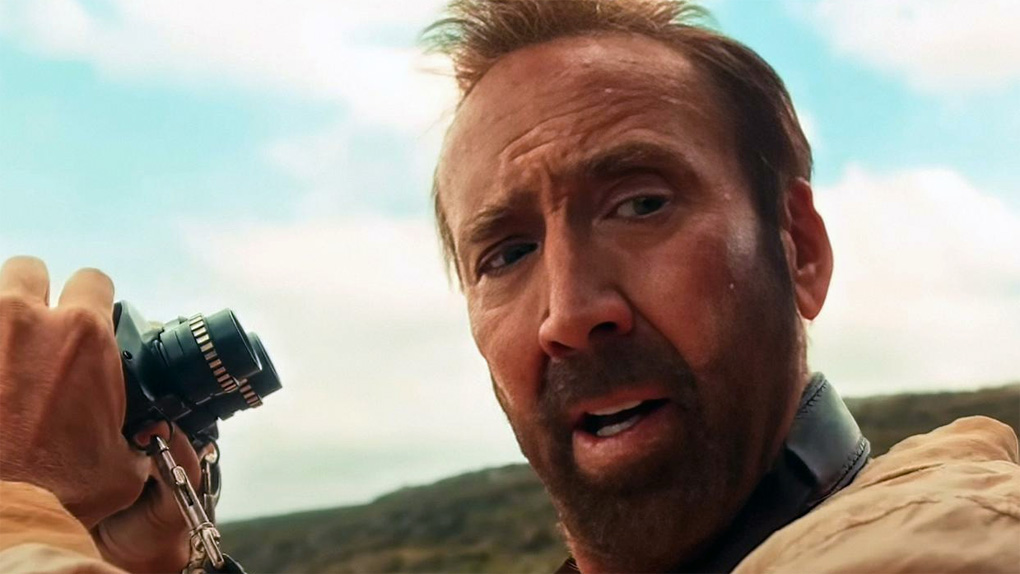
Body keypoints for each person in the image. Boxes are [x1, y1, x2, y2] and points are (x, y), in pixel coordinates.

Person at [0, 1, 1017, 573]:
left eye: (642, 204)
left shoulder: (944, 533)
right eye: (506, 254)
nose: (571, 312)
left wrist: (25, 494)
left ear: (800, 249)